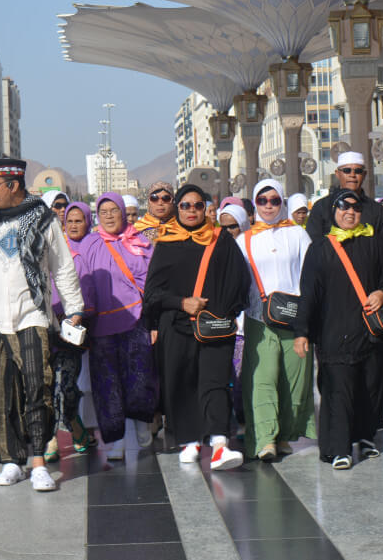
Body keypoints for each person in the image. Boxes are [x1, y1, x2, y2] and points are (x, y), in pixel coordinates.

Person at [0, 158, 84, 492]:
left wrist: (73, 309)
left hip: (32, 316)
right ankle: (11, 461)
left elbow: (63, 267)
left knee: (37, 388)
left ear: (13, 185)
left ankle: (39, 460)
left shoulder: (43, 219)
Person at [294, 190, 383, 470]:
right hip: (334, 333)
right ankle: (339, 447)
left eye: (355, 209)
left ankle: (365, 437)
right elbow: (308, 293)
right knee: (338, 390)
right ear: (334, 212)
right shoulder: (319, 249)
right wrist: (302, 331)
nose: (350, 213)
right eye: (343, 208)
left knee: (371, 386)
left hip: (371, 332)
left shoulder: (375, 245)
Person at [143, 184, 250, 471]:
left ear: (206, 208)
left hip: (214, 326)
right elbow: (153, 292)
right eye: (185, 206)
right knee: (182, 382)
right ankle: (189, 440)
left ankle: (218, 444)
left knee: (214, 382)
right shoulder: (166, 243)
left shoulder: (221, 240)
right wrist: (182, 303)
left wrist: (221, 309)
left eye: (198, 205)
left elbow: (239, 280)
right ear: (177, 209)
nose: (192, 211)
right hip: (176, 326)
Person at [239, 180, 315, 462]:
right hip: (258, 318)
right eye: (262, 201)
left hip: (295, 319)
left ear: (281, 202)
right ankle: (265, 438)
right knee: (262, 378)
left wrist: (309, 319)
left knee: (294, 380)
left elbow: (310, 276)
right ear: (255, 204)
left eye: (274, 200)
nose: (268, 206)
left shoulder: (297, 235)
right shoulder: (244, 239)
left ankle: (284, 435)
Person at [81, 193, 157, 460]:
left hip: (136, 319)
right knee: (107, 384)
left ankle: (141, 422)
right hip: (102, 324)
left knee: (139, 378)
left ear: (124, 212)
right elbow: (84, 280)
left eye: (114, 210)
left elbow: (153, 280)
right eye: (104, 212)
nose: (110, 215)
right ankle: (117, 438)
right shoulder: (90, 243)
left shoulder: (141, 241)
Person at [45, 201, 96, 461]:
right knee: (45, 387)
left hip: (69, 334)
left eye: (79, 220)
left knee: (64, 386)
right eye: (70, 221)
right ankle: (50, 439)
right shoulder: (51, 251)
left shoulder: (85, 253)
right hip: (44, 329)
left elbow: (87, 295)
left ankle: (75, 425)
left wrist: (73, 315)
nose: (73, 225)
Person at [306, 152, 383, 255]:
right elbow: (313, 244)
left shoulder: (376, 210)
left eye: (358, 171)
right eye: (347, 170)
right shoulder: (321, 207)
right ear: (337, 173)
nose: (352, 175)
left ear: (364, 174)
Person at [218, 202, 251, 428]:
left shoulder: (253, 248)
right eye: (224, 228)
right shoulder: (216, 251)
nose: (228, 232)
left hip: (251, 323)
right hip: (226, 325)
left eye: (233, 227)